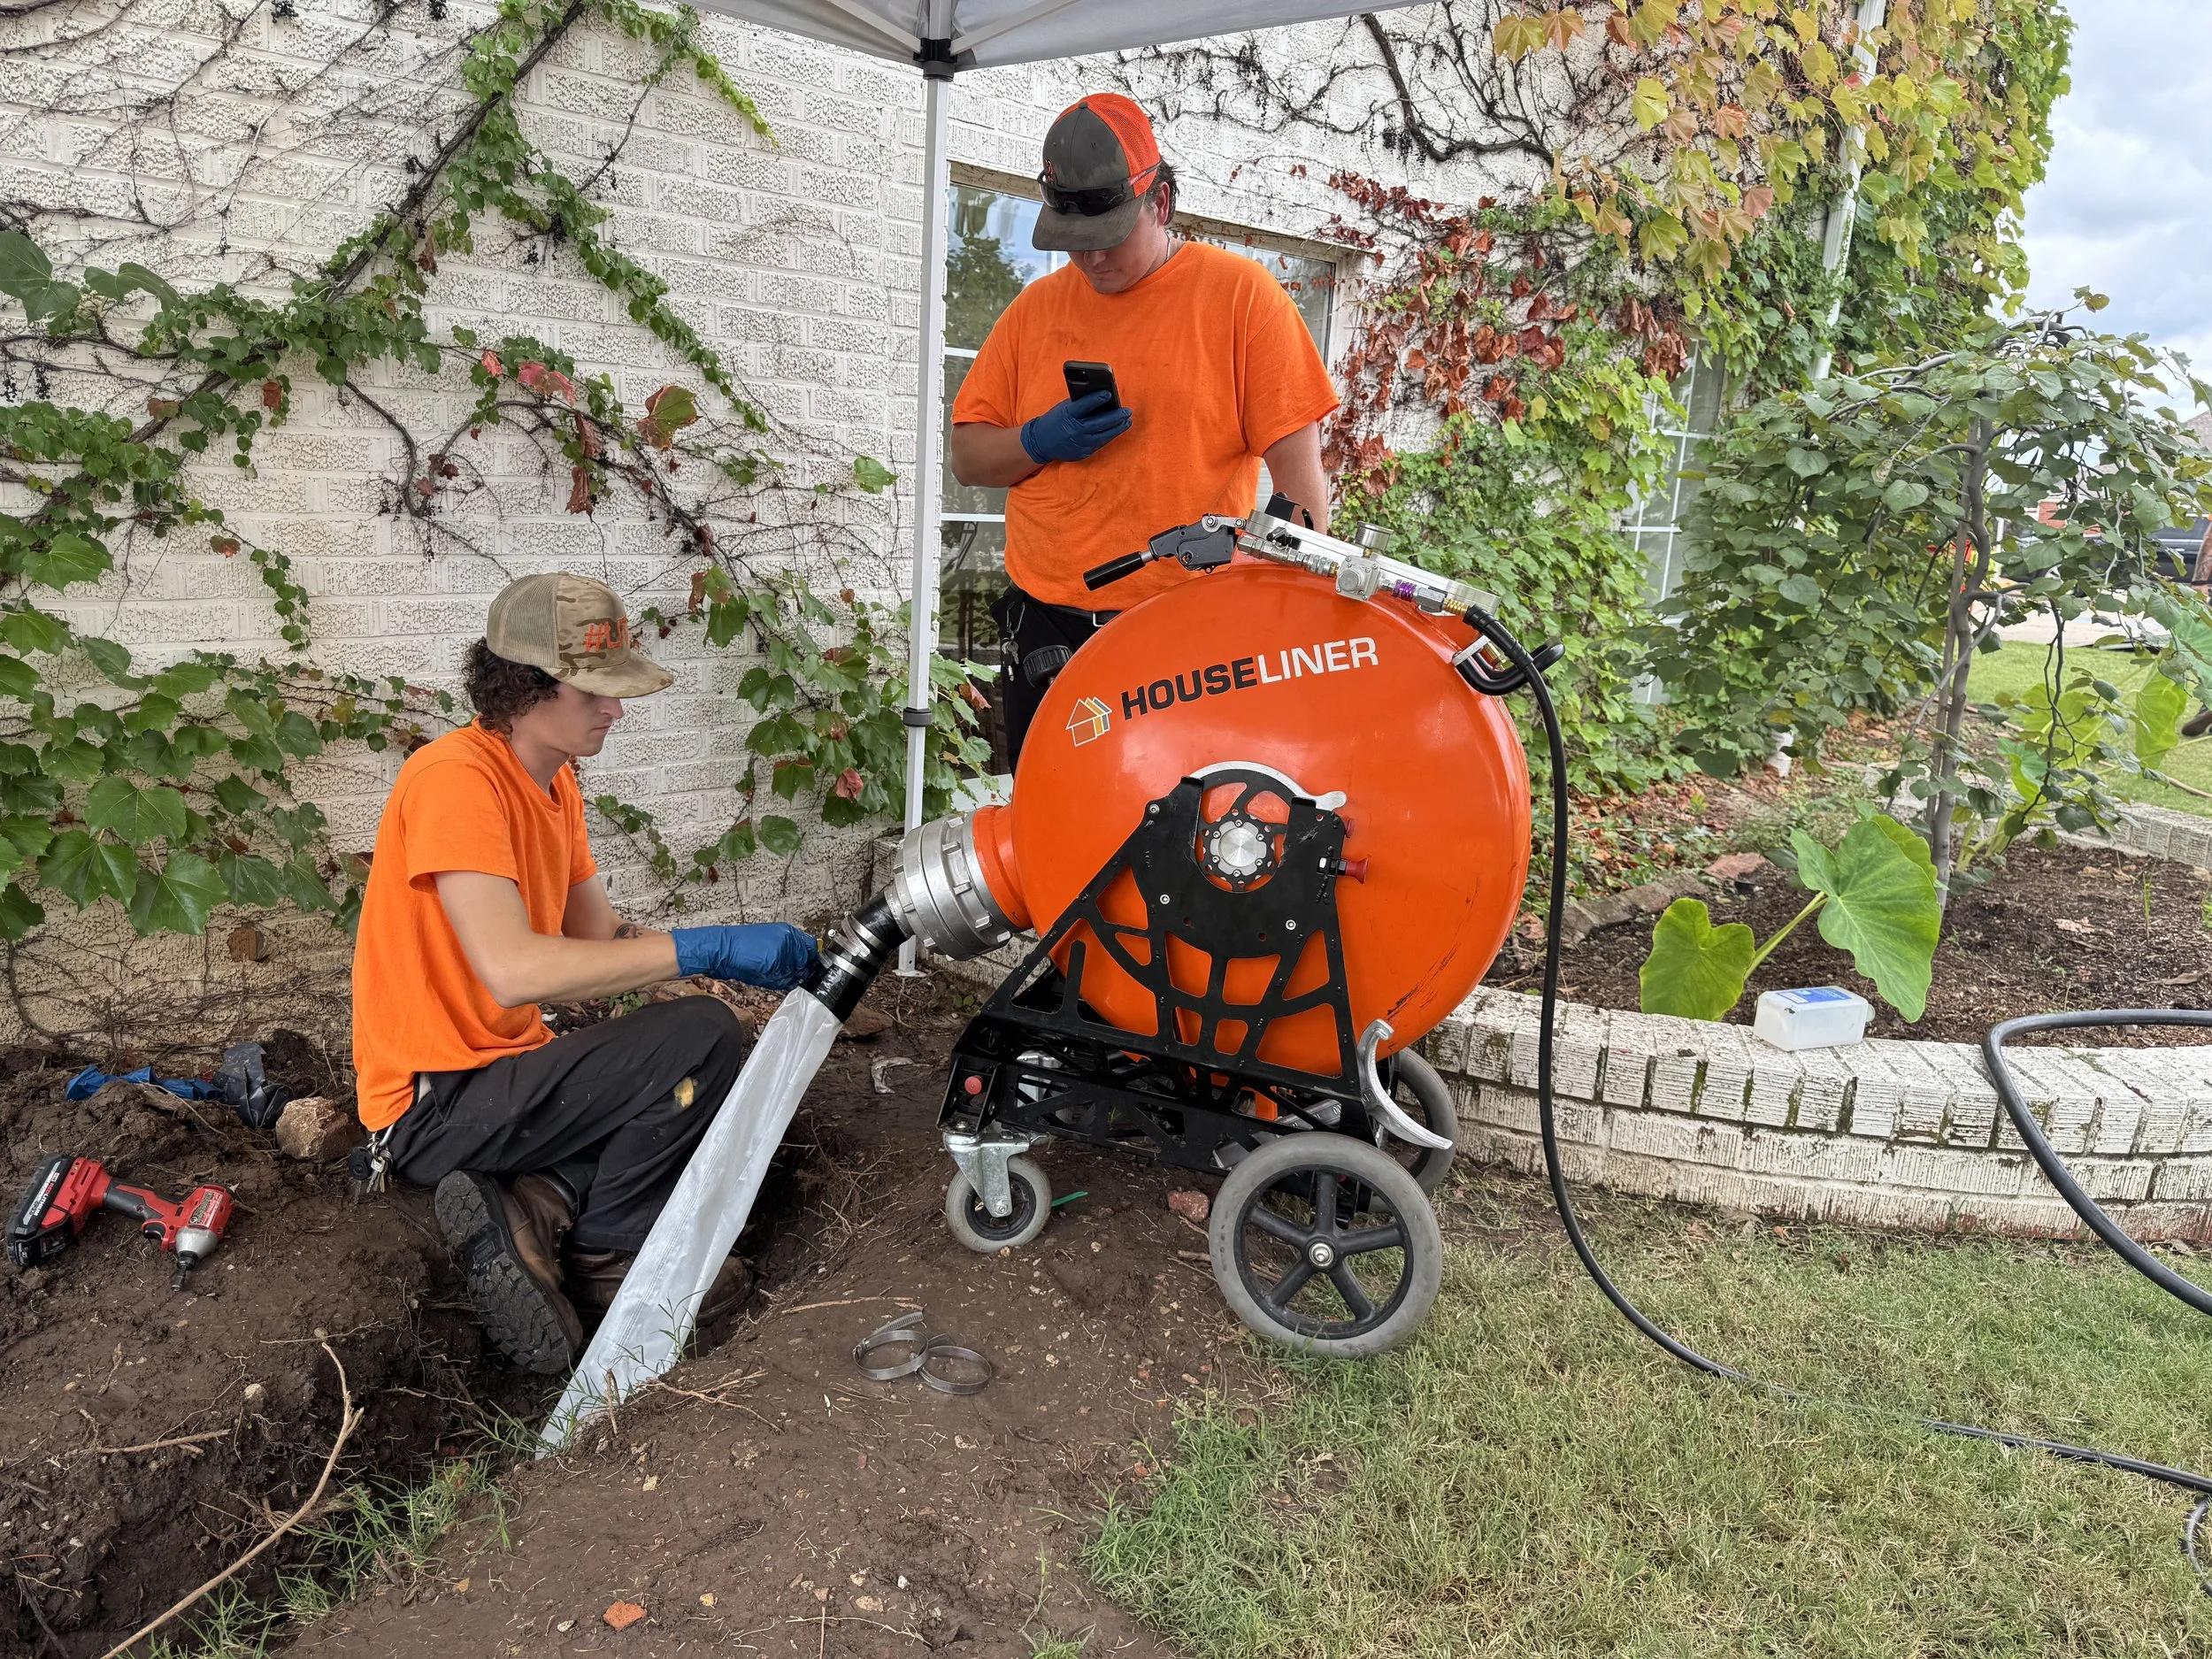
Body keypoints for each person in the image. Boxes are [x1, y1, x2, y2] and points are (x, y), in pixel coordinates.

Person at [349, 572, 818, 1374]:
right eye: (595, 690)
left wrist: (718, 949)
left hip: (501, 1079)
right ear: (526, 687)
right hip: (431, 1108)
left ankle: (539, 1200)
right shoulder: (454, 779)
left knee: (693, 1065)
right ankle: (612, 1254)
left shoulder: (553, 782)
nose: (616, 710)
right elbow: (515, 970)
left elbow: (596, 938)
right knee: (701, 1034)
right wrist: (708, 951)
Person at [949, 92, 1340, 764]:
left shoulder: (1243, 300)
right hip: (1045, 633)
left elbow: (1302, 502)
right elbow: (968, 457)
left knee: (1170, 845)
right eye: (1074, 245)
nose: (1092, 262)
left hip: (1182, 642)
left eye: (1107, 240)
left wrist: (1275, 633)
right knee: (1052, 830)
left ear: (1159, 203)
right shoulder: (1035, 310)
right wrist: (1037, 441)